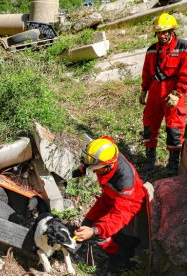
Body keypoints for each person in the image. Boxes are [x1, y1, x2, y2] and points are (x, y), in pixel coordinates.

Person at [73, 136, 146, 273]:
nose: (94, 172)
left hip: (127, 205)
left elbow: (120, 214)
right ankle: (121, 239)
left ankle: (119, 256)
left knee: (100, 235)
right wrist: (83, 167)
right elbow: (93, 155)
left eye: (97, 169)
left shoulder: (125, 181)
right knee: (87, 222)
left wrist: (95, 231)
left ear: (109, 165)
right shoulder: (105, 150)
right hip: (108, 196)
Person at [140, 13, 187, 176]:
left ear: (172, 30)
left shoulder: (183, 47)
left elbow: (185, 73)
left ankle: (173, 164)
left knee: (174, 126)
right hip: (154, 89)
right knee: (149, 123)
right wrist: (144, 89)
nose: (162, 35)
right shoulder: (152, 50)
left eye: (165, 31)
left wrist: (178, 92)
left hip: (173, 91)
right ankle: (150, 159)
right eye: (159, 32)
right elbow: (146, 72)